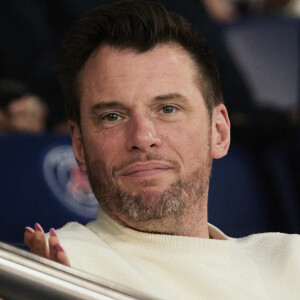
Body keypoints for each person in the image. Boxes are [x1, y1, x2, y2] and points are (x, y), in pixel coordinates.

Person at [24, 0, 299, 299]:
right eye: (112, 116)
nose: (143, 136)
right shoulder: (54, 270)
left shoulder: (289, 259)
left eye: (167, 108)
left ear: (218, 131)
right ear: (79, 145)